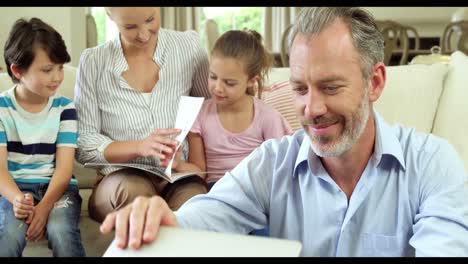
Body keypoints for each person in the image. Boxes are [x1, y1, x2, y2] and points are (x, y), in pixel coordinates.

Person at [99, 7, 468, 257]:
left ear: (374, 83)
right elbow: (204, 216)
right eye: (300, 88)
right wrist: (163, 218)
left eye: (331, 87)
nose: (312, 109)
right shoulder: (272, 164)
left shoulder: (433, 165)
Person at [74, 7, 211, 223]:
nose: (144, 35)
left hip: (178, 175)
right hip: (120, 179)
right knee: (136, 200)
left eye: (150, 20)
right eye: (130, 27)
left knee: (194, 205)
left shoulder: (189, 48)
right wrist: (139, 146)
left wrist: (192, 165)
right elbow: (83, 143)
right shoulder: (94, 62)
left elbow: (207, 114)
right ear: (110, 17)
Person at [0, 18, 85, 257]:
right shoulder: (1, 109)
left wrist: (45, 207)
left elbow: (64, 169)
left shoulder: (65, 109)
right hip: (14, 189)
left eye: (60, 67)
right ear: (17, 70)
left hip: (59, 189)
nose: (58, 77)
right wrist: (17, 199)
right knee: (9, 234)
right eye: (48, 70)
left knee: (61, 229)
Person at [173, 29, 292, 190]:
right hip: (217, 191)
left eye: (229, 83)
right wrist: (178, 164)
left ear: (251, 81)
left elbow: (282, 168)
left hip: (257, 190)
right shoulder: (200, 114)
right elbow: (200, 172)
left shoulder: (268, 117)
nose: (218, 88)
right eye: (213, 77)